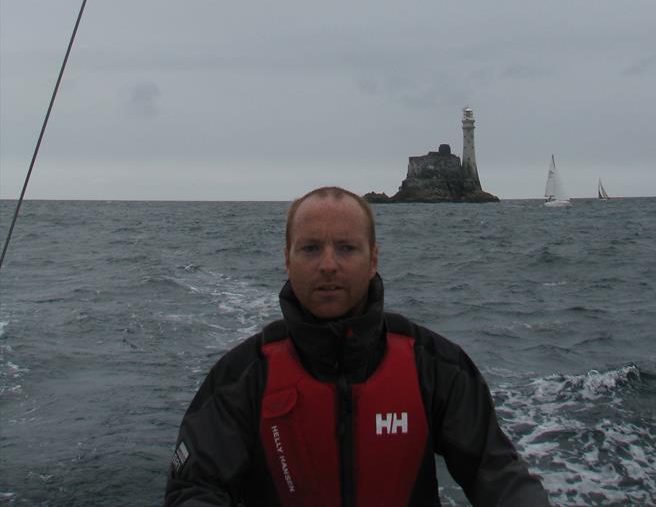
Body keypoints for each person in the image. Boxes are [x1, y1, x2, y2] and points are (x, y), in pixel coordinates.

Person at [164, 186, 550, 506]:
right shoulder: (243, 377)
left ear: (373, 260)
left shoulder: (434, 366)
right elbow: (196, 488)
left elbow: (498, 475)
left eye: (346, 248)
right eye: (311, 248)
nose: (328, 264)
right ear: (287, 260)